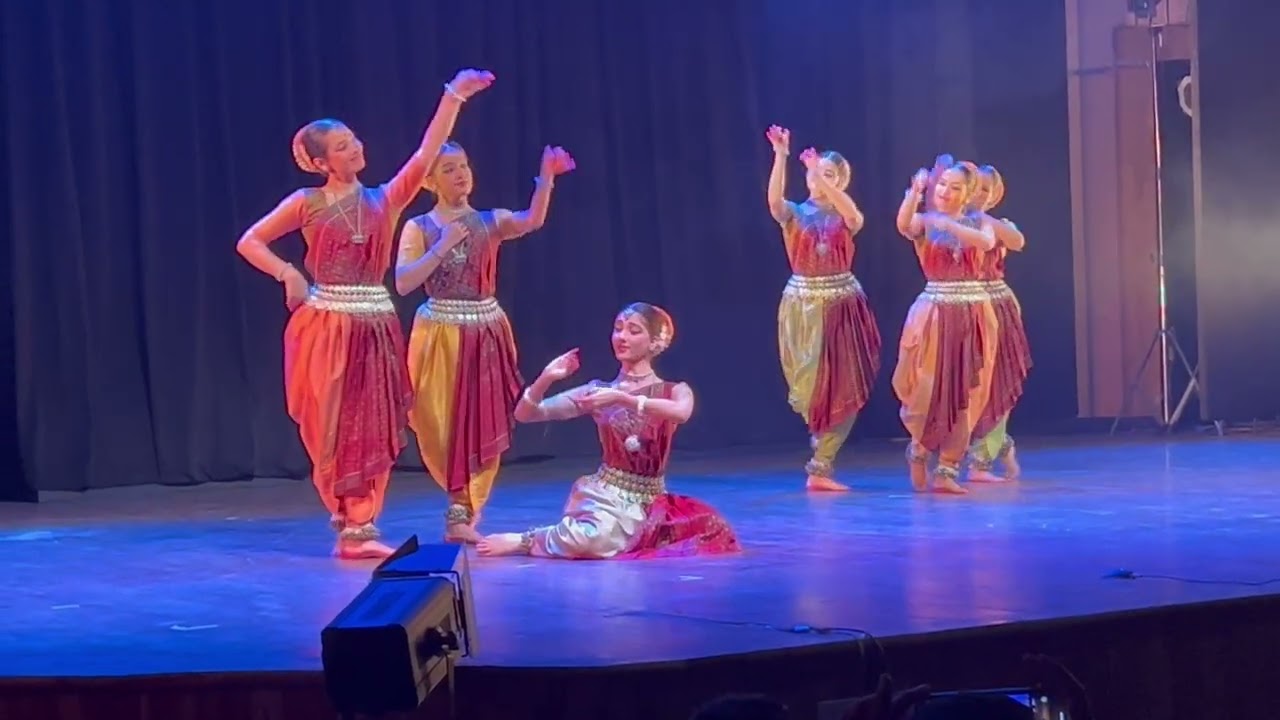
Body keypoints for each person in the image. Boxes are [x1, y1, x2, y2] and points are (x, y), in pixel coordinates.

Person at [235, 69, 495, 559]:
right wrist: (288, 274)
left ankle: (362, 527)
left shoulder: (385, 198)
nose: (355, 149)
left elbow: (425, 154)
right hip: (326, 325)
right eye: (340, 147)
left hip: (376, 326)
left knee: (372, 423)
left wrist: (454, 96)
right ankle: (346, 519)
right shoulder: (306, 203)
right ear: (319, 162)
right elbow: (250, 241)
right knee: (330, 424)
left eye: (353, 141)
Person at [395, 143, 576, 543]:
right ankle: (459, 504)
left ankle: (462, 513)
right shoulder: (419, 227)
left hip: (486, 331)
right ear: (430, 180)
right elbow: (405, 282)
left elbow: (531, 220)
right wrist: (441, 246)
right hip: (438, 334)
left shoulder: (489, 221)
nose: (461, 174)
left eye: (464, 166)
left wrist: (546, 178)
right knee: (439, 424)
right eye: (449, 169)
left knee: (481, 423)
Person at [476, 303, 742, 559]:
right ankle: (525, 540)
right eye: (618, 328)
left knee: (711, 527)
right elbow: (527, 414)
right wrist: (546, 377)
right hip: (607, 497)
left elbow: (681, 412)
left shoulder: (673, 390)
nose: (622, 337)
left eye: (634, 330)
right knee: (594, 539)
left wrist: (622, 399)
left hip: (652, 501)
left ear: (655, 343)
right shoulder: (596, 391)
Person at [764, 125, 882, 492]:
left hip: (843, 305)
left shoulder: (848, 215)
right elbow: (773, 203)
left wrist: (822, 176)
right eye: (814, 175)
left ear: (841, 181)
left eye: (829, 175)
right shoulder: (795, 214)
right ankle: (820, 450)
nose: (817, 180)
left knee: (843, 381)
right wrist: (781, 156)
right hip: (802, 307)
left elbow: (852, 214)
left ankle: (822, 464)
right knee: (810, 385)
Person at [892, 161, 999, 494]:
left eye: (955, 187)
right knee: (928, 387)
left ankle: (948, 468)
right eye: (942, 186)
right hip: (934, 312)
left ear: (967, 193)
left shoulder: (979, 221)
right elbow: (903, 224)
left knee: (968, 390)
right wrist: (915, 192)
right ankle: (920, 447)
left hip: (973, 312)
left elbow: (985, 243)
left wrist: (952, 226)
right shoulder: (924, 222)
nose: (946, 193)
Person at [964, 164, 1030, 482]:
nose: (980, 193)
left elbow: (1017, 241)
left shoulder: (997, 224)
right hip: (960, 308)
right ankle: (997, 445)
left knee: (998, 380)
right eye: (976, 186)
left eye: (987, 189)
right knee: (970, 383)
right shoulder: (951, 224)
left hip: (997, 304)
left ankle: (982, 460)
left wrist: (982, 218)